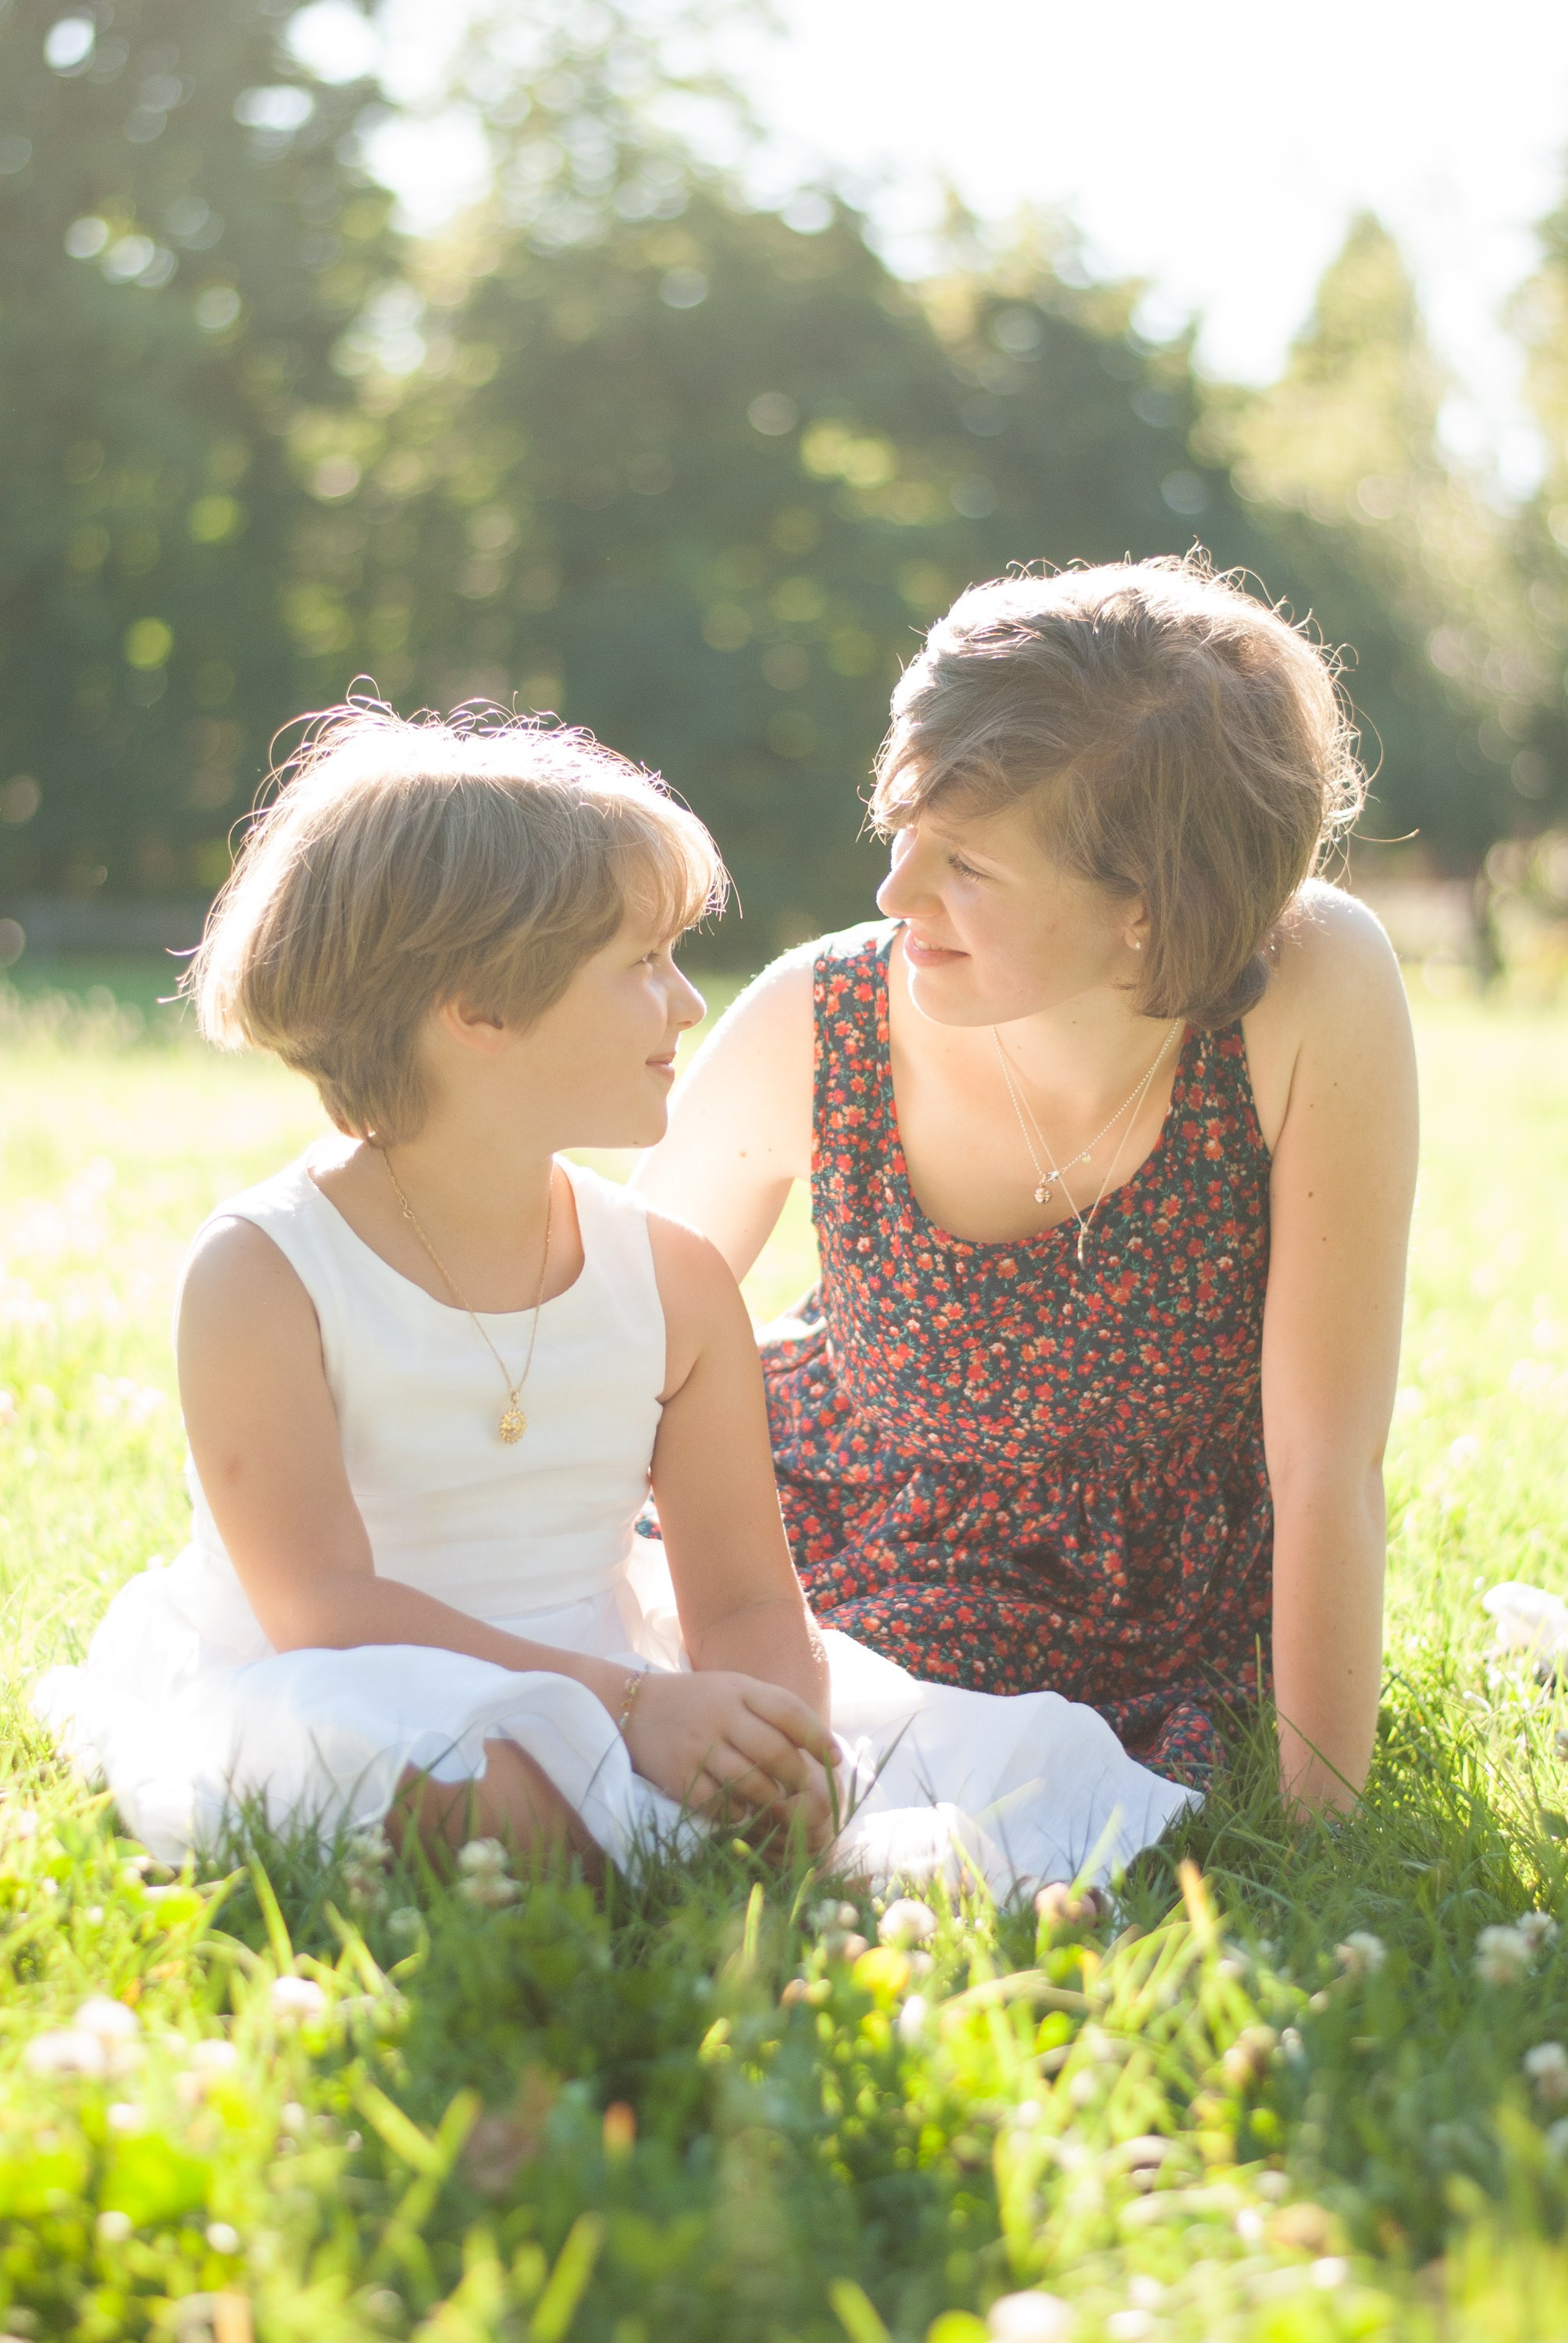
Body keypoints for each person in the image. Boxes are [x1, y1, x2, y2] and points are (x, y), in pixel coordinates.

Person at [37, 706, 1188, 1891]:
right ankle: (604, 1831)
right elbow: (323, 1612)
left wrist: (771, 1737)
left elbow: (746, 1602)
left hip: (607, 1672)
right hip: (344, 1679)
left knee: (972, 1765)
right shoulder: (266, 1271)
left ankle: (651, 1828)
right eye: (642, 964)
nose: (687, 1003)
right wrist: (628, 1709)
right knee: (445, 1781)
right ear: (480, 1006)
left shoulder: (674, 1283)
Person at [635, 557, 1419, 1813]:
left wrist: (1324, 1826)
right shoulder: (822, 1018)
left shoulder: (1310, 981)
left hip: (1173, 1597)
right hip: (848, 1543)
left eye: (969, 866)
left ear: (1150, 904)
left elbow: (1327, 1453)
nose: (894, 893)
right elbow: (611, 1340)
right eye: (905, 830)